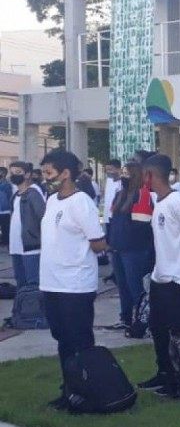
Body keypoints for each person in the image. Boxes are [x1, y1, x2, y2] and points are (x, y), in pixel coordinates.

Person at [38, 150, 108, 409]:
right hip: (52, 282)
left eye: (49, 173)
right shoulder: (52, 199)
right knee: (62, 339)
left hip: (75, 284)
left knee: (79, 340)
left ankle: (89, 392)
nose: (45, 178)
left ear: (65, 173)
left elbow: (98, 243)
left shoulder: (81, 202)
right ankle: (69, 389)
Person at [136, 154, 180, 394]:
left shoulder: (176, 201)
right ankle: (163, 372)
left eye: (144, 174)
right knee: (157, 326)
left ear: (151, 175)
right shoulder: (158, 200)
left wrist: (179, 247)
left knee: (177, 330)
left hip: (176, 277)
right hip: (159, 275)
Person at [106, 160, 155, 331]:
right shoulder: (120, 194)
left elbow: (141, 226)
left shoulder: (142, 194)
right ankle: (125, 318)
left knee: (136, 287)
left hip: (135, 250)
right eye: (123, 173)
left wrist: (124, 241)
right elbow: (113, 219)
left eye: (127, 174)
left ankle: (142, 320)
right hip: (118, 248)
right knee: (123, 286)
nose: (123, 176)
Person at [9, 162, 45, 288]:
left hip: (31, 247)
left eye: (18, 172)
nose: (14, 175)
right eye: (12, 172)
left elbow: (43, 217)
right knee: (21, 284)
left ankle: (35, 308)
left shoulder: (33, 193)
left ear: (27, 174)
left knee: (33, 284)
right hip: (16, 247)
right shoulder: (15, 195)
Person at [0, 166, 12, 251]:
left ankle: (8, 246)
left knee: (6, 229)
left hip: (5, 211)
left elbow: (9, 197)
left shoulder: (7, 185)